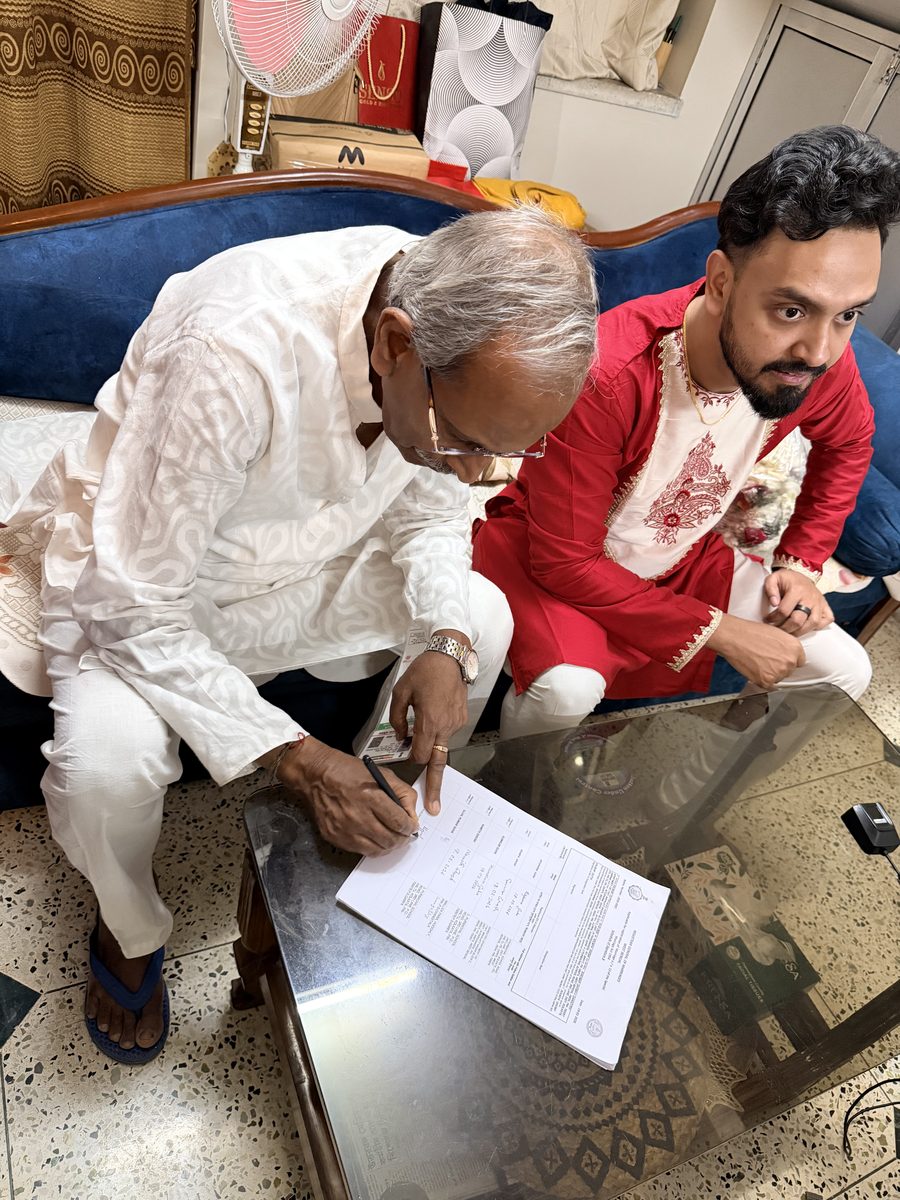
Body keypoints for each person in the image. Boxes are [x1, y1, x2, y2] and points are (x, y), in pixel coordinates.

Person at [0, 206, 598, 1063]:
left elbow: (435, 509)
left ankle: (377, 807)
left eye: (509, 453)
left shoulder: (448, 332)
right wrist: (303, 763)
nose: (481, 474)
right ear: (393, 346)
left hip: (314, 556)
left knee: (481, 617)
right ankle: (130, 927)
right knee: (106, 767)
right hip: (156, 583)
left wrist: (441, 639)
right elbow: (135, 602)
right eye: (466, 441)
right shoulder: (233, 352)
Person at [473, 126, 900, 739]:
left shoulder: (818, 360)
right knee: (565, 690)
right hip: (560, 564)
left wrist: (801, 561)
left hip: (684, 561)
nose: (818, 351)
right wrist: (720, 632)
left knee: (843, 669)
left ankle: (694, 789)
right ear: (722, 282)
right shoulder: (609, 375)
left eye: (848, 314)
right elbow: (565, 561)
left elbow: (850, 441)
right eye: (791, 310)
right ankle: (513, 791)